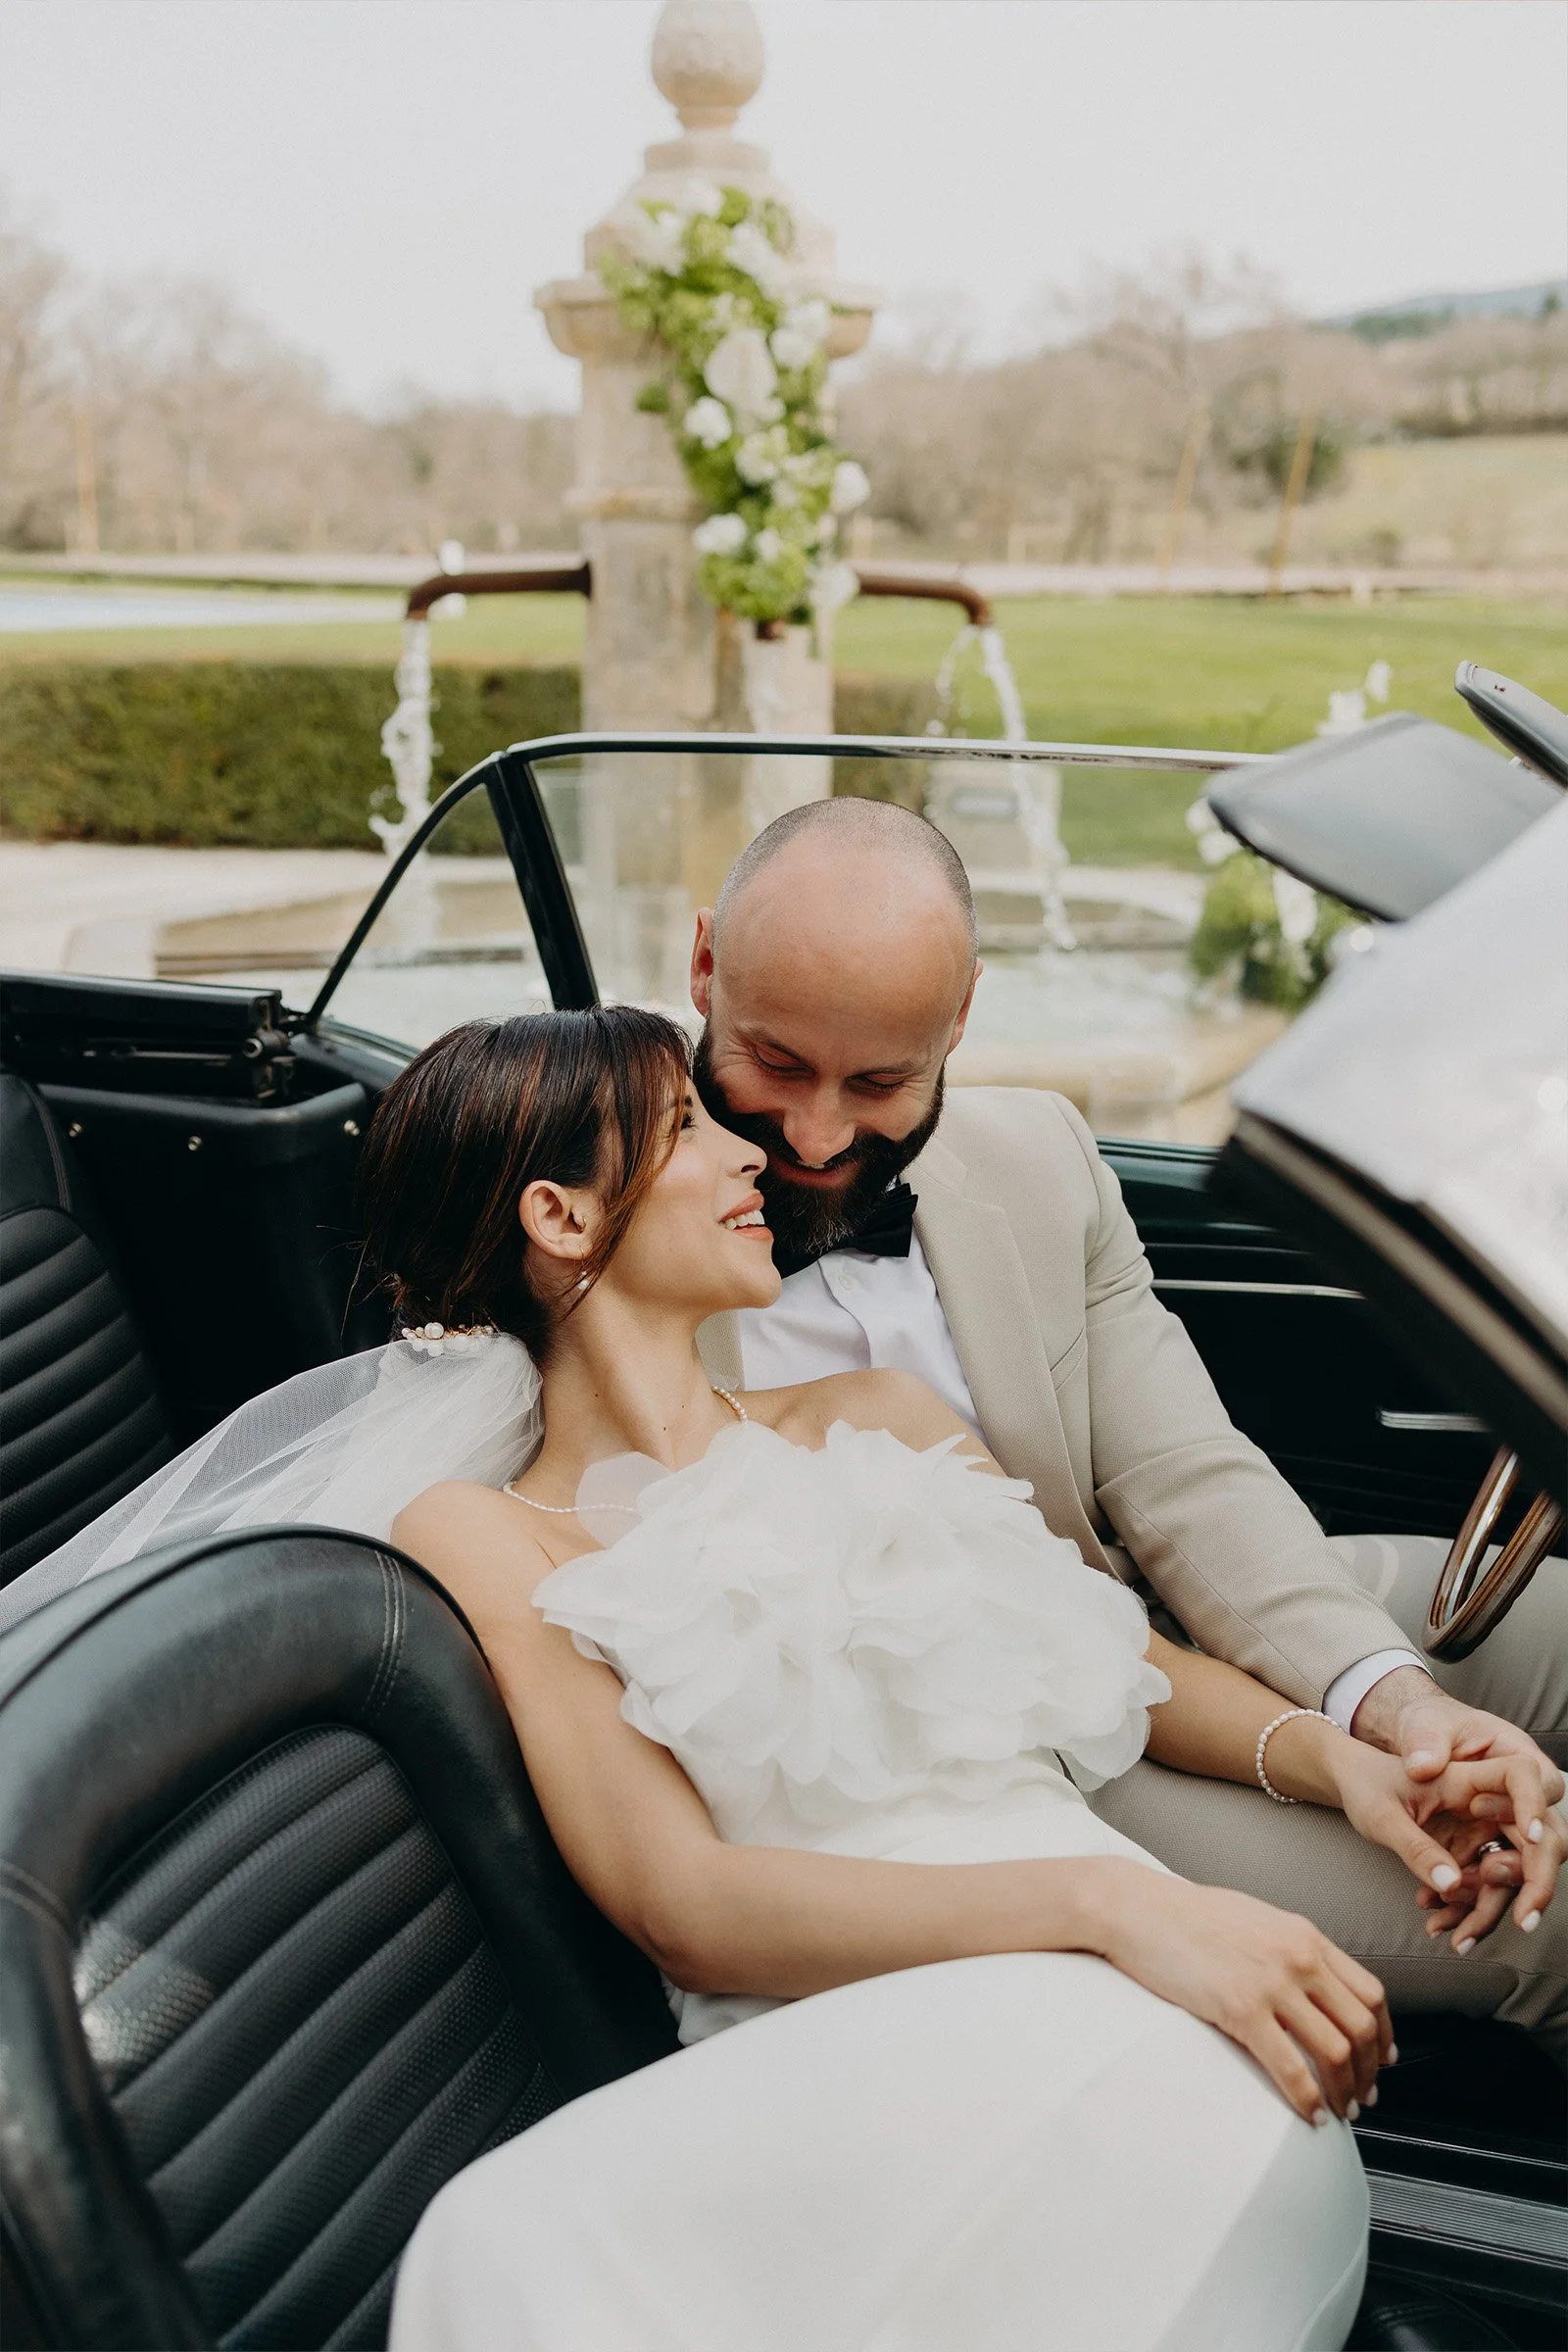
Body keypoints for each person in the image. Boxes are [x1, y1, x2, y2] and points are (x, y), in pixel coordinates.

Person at [373, 1005, 1559, 2352]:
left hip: (1169, 2018)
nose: (751, 1156)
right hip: (880, 2037)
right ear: (561, 1217)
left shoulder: (881, 1414)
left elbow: (1133, 1665)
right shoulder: (484, 1531)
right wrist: (1111, 1908)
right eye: (688, 1129)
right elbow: (685, 1905)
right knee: (509, 2247)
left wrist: (1353, 1765)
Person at [680, 794, 1568, 2058]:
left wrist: (1390, 1706)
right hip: (1026, 1770)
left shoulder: (1038, 1153)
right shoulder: (586, 1209)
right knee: (1549, 1906)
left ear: (964, 1015)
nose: (819, 1137)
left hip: (1159, 1635)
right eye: (776, 1064)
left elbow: (1187, 1476)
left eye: (881, 1081)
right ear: (705, 963)